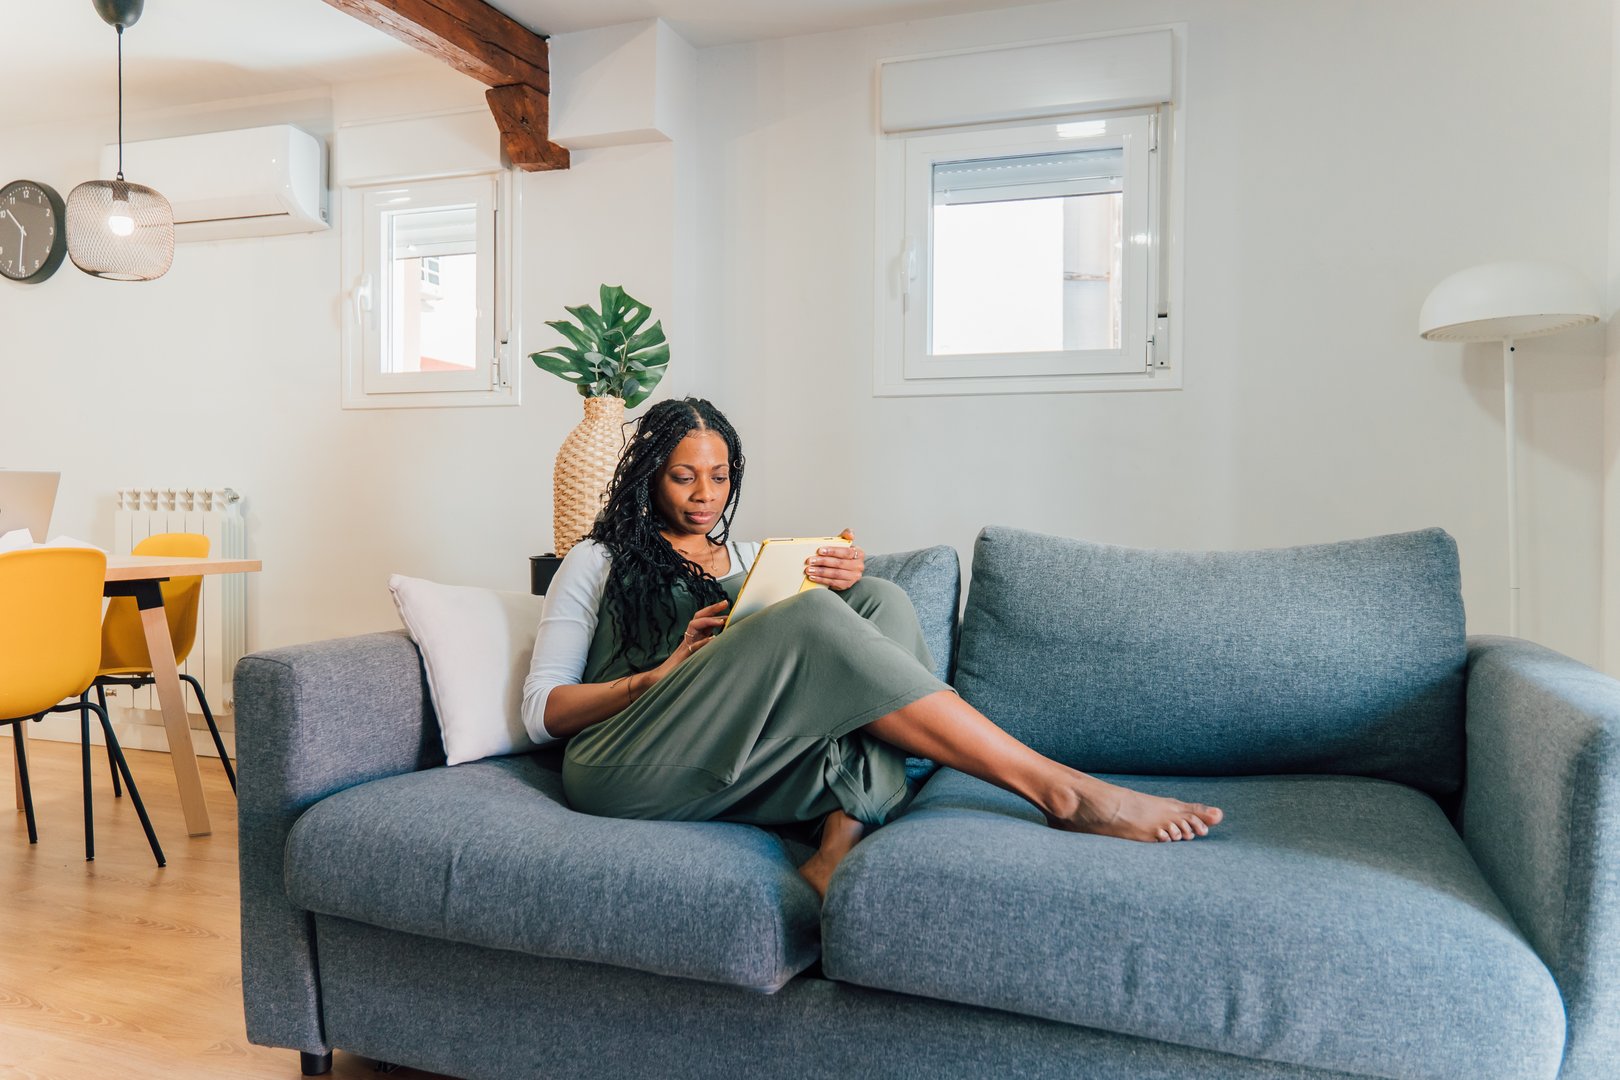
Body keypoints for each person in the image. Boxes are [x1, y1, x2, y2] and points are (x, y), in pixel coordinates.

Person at [523, 397, 1222, 898]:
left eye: (721, 476)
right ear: (648, 476)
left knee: (880, 599)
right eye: (684, 476)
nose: (705, 494)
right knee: (808, 621)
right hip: (621, 761)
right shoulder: (598, 558)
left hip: (724, 752)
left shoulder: (741, 554)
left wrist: (840, 584)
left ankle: (838, 841)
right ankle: (1059, 789)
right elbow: (542, 711)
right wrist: (659, 674)